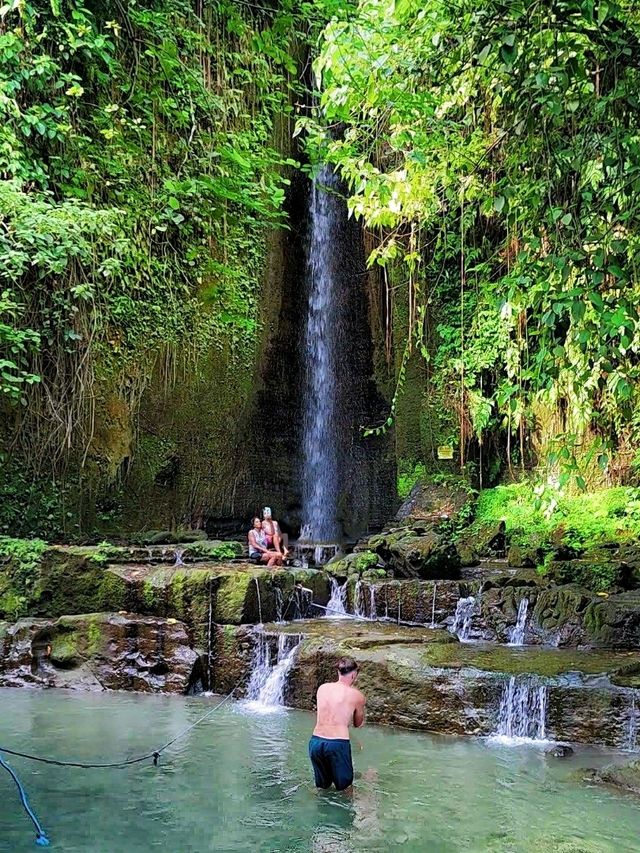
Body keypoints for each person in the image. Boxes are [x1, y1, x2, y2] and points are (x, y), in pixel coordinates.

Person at [308, 656, 366, 792]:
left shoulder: (322, 689)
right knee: (345, 788)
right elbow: (358, 723)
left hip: (316, 742)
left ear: (338, 672)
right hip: (337, 744)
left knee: (322, 788)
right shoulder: (357, 695)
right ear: (354, 674)